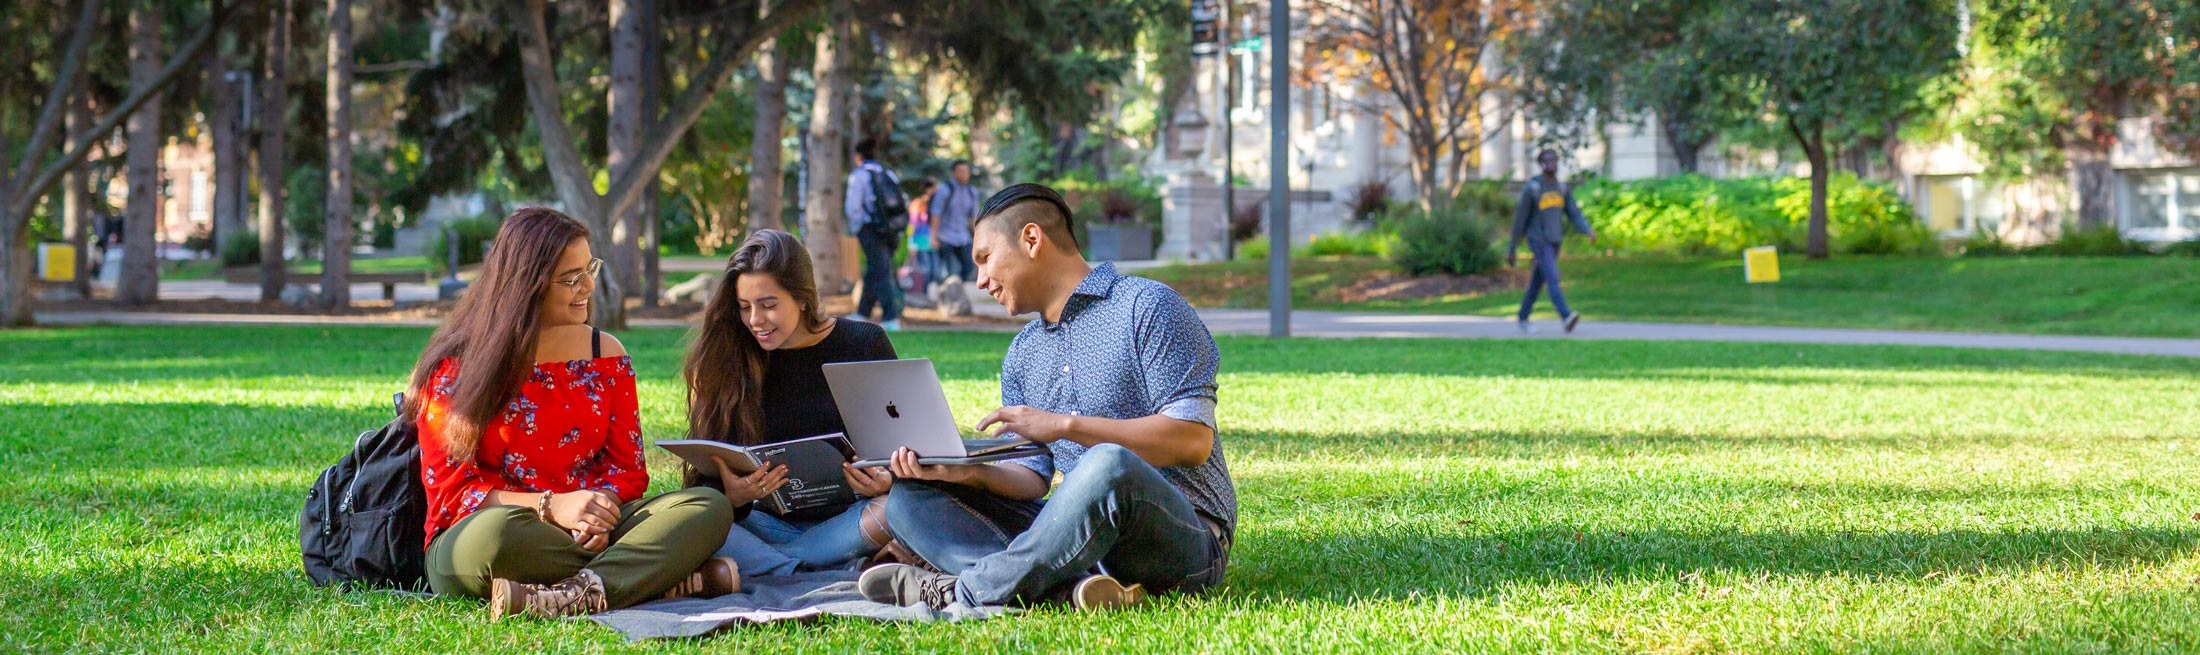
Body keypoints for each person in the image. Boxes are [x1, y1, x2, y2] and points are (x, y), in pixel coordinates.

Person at [858, 183, 1235, 611]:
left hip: (1184, 539)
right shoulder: (1023, 352)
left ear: (1031, 240)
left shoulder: (1147, 306)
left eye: (985, 258)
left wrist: (1063, 426)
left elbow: (1192, 442)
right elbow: (1032, 477)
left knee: (1108, 463)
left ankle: (964, 591)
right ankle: (1070, 592)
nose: (980, 280)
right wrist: (962, 473)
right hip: (1079, 538)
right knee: (911, 497)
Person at [405, 207, 736, 621]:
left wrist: (599, 513)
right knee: (498, 538)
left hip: (595, 530)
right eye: (571, 278)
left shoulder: (605, 355)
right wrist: (552, 507)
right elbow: (455, 495)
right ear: (526, 285)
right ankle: (652, 576)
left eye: (589, 269)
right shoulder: (455, 367)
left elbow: (627, 469)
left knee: (708, 507)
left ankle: (573, 594)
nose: (589, 286)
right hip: (488, 535)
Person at [684, 229, 900, 577]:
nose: (755, 320)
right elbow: (706, 482)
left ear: (802, 298)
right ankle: (819, 568)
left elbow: (903, 447)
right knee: (686, 516)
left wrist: (885, 479)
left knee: (902, 508)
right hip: (765, 524)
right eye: (744, 307)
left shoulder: (863, 344)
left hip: (854, 519)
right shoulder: (732, 359)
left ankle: (773, 567)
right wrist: (733, 496)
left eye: (769, 305)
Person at [1507, 149, 1598, 334]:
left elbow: (1573, 213)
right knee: (1552, 277)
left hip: (1555, 239)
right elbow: (1520, 220)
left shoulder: (1561, 188)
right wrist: (1512, 248)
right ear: (1541, 163)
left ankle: (1523, 317)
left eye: (1554, 160)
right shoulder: (1533, 188)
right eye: (1548, 160)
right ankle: (1566, 316)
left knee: (1538, 280)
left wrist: (1587, 229)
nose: (1552, 163)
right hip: (1539, 240)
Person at [843, 139, 905, 330]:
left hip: (870, 228)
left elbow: (853, 207)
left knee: (880, 269)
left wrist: (857, 228)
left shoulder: (859, 175)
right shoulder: (888, 174)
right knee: (874, 267)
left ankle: (890, 317)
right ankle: (863, 312)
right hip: (890, 229)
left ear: (858, 156)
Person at [928, 160, 981, 284]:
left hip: (963, 237)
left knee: (968, 268)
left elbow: (973, 216)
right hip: (945, 236)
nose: (964, 175)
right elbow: (936, 214)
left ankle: (957, 292)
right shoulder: (945, 190)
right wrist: (933, 236)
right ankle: (947, 296)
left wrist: (977, 237)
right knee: (948, 271)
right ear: (954, 173)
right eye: (961, 172)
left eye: (966, 172)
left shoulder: (972, 192)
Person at [905, 178, 941, 296]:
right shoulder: (917, 204)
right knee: (925, 271)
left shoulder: (934, 204)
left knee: (935, 272)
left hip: (932, 244)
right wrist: (912, 244)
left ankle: (930, 296)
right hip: (920, 243)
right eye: (935, 187)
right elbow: (912, 225)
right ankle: (923, 295)